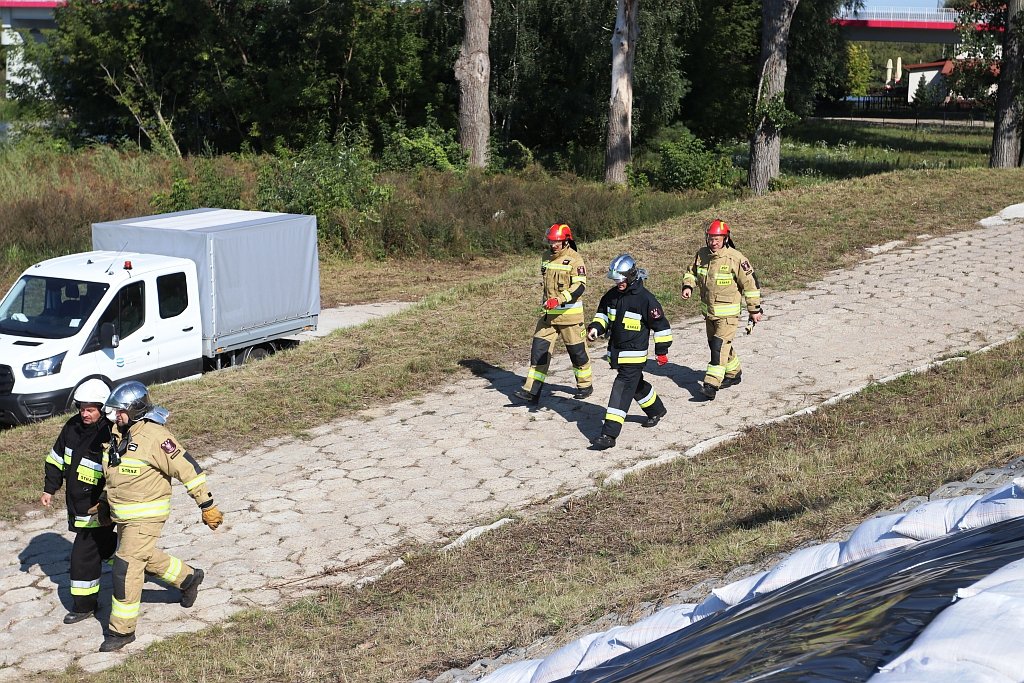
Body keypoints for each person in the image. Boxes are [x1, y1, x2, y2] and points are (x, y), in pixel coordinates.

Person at [96, 381, 224, 652]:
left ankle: (122, 630)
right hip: (124, 515)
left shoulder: (156, 437)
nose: (114, 416)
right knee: (143, 556)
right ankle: (188, 578)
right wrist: (105, 505)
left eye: (119, 411)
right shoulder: (119, 434)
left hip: (146, 515)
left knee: (126, 567)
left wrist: (207, 504)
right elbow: (114, 475)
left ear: (135, 410)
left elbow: (188, 469)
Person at [41, 379, 117, 624]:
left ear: (103, 408)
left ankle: (85, 604)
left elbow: (117, 474)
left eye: (90, 409)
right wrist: (49, 489)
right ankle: (180, 576)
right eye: (82, 408)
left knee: (82, 557)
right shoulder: (72, 427)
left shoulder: (110, 433)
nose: (84, 414)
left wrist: (106, 503)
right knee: (113, 550)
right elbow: (55, 459)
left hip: (98, 508)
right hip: (77, 504)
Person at [586, 254, 672, 450]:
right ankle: (656, 409)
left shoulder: (646, 300)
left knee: (622, 387)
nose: (618, 284)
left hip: (635, 354)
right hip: (617, 353)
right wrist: (595, 329)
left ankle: (608, 434)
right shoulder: (611, 296)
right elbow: (602, 317)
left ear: (631, 275)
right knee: (635, 384)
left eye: (621, 279)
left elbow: (661, 326)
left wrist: (662, 351)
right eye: (616, 280)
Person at [681, 219, 763, 400]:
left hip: (728, 315)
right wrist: (688, 286)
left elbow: (751, 285)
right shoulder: (702, 255)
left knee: (718, 346)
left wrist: (754, 310)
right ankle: (733, 372)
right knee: (718, 344)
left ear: (725, 239)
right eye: (711, 238)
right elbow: (692, 272)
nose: (713, 243)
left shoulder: (736, 258)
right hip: (710, 313)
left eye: (717, 239)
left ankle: (711, 385)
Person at [513, 223, 593, 404]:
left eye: (557, 242)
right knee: (538, 352)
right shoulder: (546, 257)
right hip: (548, 317)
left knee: (577, 353)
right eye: (551, 241)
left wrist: (560, 299)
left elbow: (580, 286)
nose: (553, 245)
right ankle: (532, 391)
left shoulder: (575, 260)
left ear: (566, 241)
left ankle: (585, 385)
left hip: (570, 317)